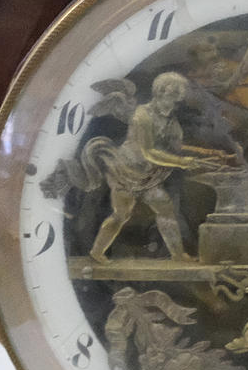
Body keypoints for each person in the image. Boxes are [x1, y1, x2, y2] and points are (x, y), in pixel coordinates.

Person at [83, 72, 232, 261]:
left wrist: (210, 154)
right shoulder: (142, 115)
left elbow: (176, 148)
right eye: (175, 89)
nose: (179, 94)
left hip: (149, 176)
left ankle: (178, 255)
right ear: (161, 91)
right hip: (127, 172)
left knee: (165, 210)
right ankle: (96, 252)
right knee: (121, 215)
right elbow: (149, 152)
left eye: (180, 91)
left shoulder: (171, 121)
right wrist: (183, 162)